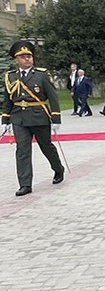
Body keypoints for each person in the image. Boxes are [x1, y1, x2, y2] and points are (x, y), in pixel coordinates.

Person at [1, 40, 64, 196]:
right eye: (23, 56)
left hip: (39, 116)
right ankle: (25, 184)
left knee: (46, 146)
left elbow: (53, 97)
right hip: (19, 119)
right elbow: (8, 100)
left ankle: (58, 168)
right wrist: (5, 120)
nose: (27, 59)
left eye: (29, 56)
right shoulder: (10, 77)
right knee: (22, 151)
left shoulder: (42, 75)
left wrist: (56, 118)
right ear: (16, 59)